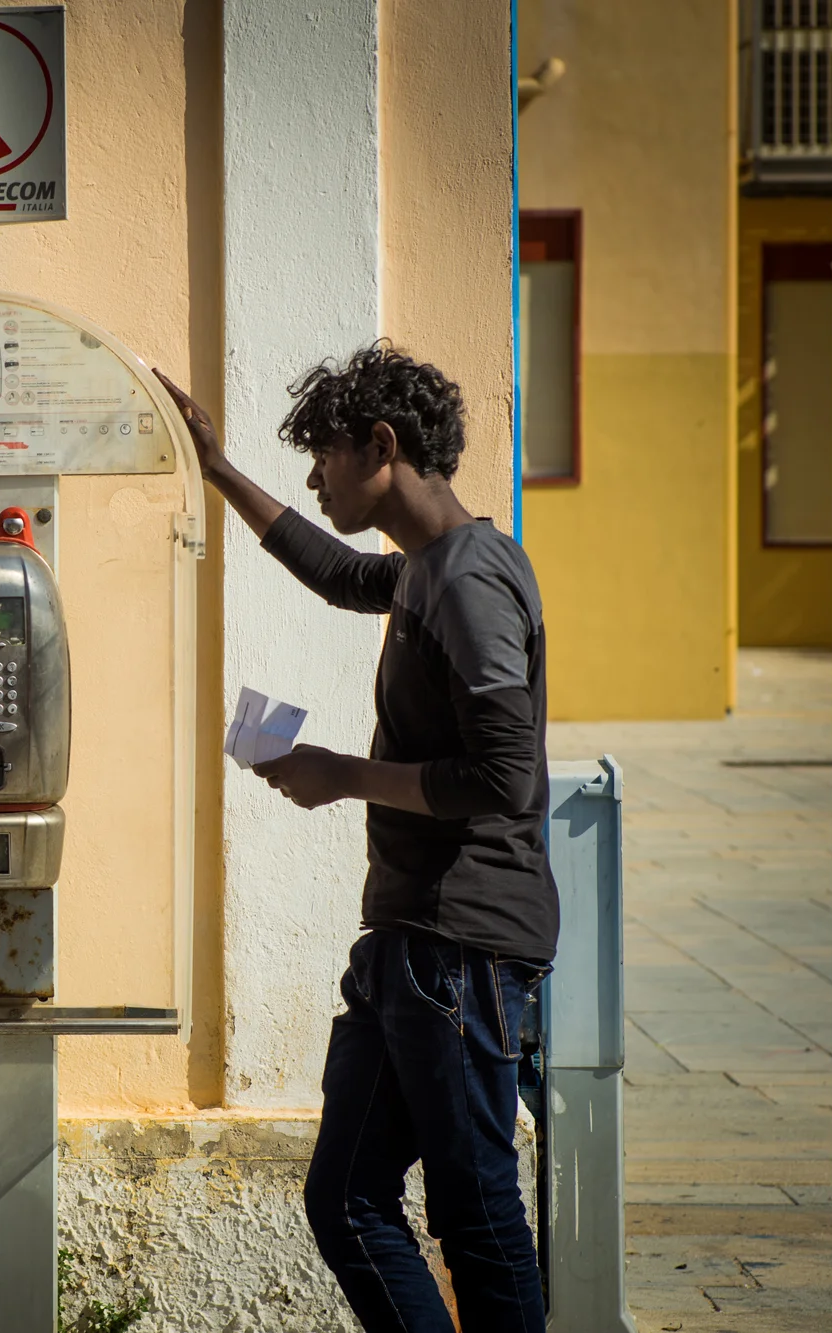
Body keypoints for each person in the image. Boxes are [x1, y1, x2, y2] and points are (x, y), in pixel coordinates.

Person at [156, 344, 557, 1333]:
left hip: (459, 946)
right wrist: (215, 471)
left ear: (381, 446)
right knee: (344, 1199)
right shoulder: (427, 567)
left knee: (473, 1212)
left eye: (324, 455)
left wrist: (342, 778)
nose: (313, 475)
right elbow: (338, 574)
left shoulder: (466, 582)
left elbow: (502, 778)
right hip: (407, 948)